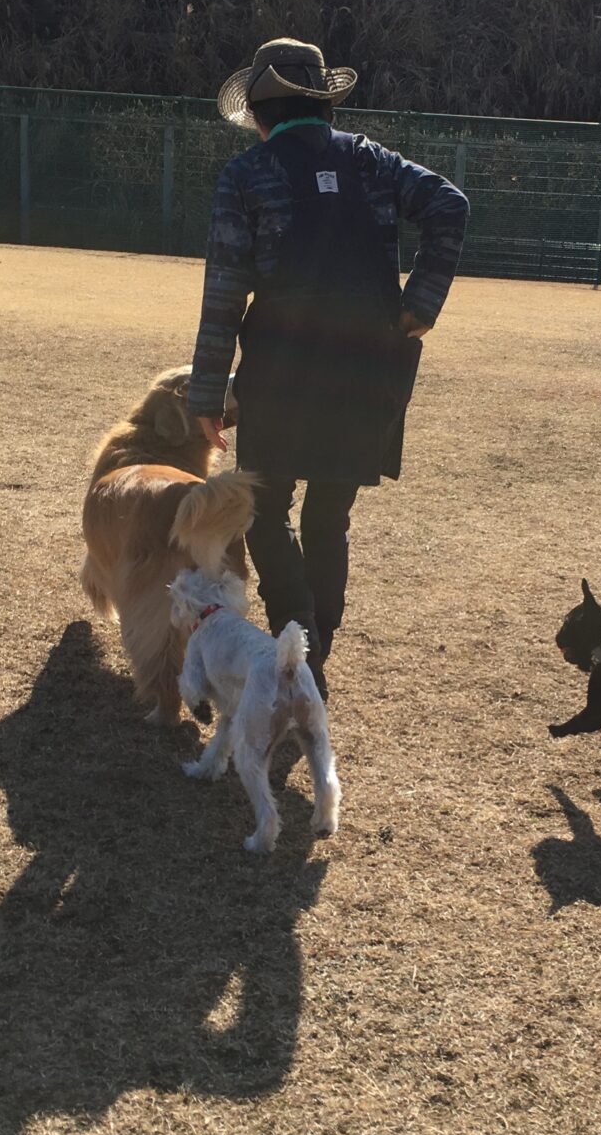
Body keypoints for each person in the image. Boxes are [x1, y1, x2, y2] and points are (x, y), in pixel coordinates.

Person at [187, 37, 469, 698]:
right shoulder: (371, 160)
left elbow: (224, 292)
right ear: (323, 105)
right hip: (367, 368)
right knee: (328, 515)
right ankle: (317, 647)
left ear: (261, 113)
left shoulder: (247, 175)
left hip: (281, 369)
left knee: (264, 509)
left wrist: (207, 393)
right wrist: (419, 302)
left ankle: (298, 635)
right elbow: (449, 204)